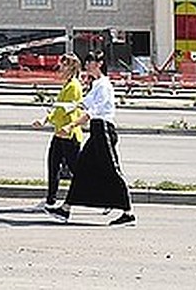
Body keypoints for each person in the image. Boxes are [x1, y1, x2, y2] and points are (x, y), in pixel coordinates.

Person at [50, 49, 136, 226]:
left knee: (111, 169)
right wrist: (61, 108)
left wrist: (71, 125)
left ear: (100, 64)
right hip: (96, 131)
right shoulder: (96, 85)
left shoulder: (104, 85)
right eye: (87, 62)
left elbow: (93, 111)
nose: (87, 65)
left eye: (90, 62)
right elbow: (83, 103)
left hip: (103, 129)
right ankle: (65, 208)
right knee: (82, 168)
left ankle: (128, 213)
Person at [31, 53, 83, 210]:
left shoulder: (74, 86)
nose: (60, 68)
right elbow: (57, 108)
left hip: (69, 134)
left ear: (72, 67)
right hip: (59, 133)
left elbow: (64, 110)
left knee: (77, 172)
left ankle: (104, 198)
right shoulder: (67, 85)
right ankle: (50, 200)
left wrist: (47, 120)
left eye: (64, 65)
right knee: (53, 165)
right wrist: (45, 120)